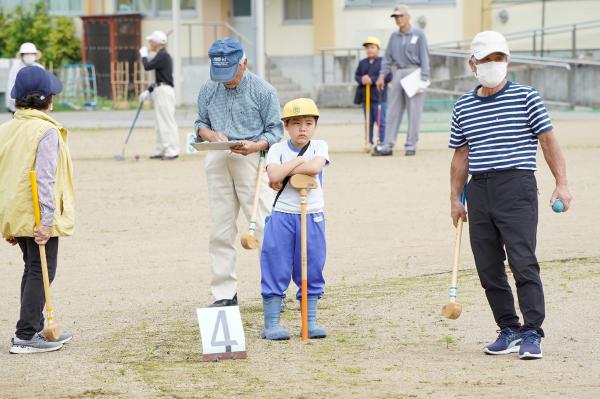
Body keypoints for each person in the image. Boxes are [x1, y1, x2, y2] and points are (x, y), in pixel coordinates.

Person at [449, 31, 573, 360]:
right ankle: (508, 328)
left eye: (499, 58)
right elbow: (461, 157)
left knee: (522, 261)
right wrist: (454, 199)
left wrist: (561, 182)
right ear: (472, 64)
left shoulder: (527, 97)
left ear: (507, 61)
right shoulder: (462, 106)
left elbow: (548, 141)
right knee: (488, 266)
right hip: (479, 189)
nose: (493, 65)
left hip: (517, 186)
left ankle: (533, 330)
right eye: (486, 59)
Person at [194, 38, 284, 307]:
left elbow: (275, 131)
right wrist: (209, 134)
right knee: (220, 229)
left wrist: (255, 145)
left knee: (264, 224)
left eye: (231, 73)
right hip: (217, 156)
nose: (227, 80)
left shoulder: (264, 91)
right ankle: (224, 293)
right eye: (220, 74)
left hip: (252, 159)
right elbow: (199, 123)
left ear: (244, 63)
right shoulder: (208, 89)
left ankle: (275, 289)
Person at [0, 66, 75, 354]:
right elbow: (45, 178)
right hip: (36, 214)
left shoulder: (6, 129)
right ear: (47, 99)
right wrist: (45, 221)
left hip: (15, 212)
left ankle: (32, 327)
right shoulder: (46, 131)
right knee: (40, 269)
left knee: (31, 267)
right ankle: (26, 334)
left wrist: (7, 222)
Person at [260, 98, 329, 340]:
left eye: (309, 123)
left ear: (315, 126)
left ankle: (308, 322)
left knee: (312, 264)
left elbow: (315, 169)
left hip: (312, 215)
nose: (303, 128)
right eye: (296, 123)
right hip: (283, 214)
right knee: (275, 263)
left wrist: (287, 169)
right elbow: (274, 173)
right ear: (286, 126)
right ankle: (272, 324)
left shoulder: (320, 146)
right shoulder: (277, 149)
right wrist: (299, 160)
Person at [373, 4, 430, 157]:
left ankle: (411, 145)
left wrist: (424, 77)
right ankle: (387, 145)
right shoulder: (393, 37)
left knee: (414, 112)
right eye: (395, 17)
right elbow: (387, 59)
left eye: (400, 16)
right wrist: (382, 75)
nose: (398, 19)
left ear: (408, 16)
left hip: (415, 72)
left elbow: (425, 56)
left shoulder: (419, 34)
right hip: (398, 72)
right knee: (393, 111)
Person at [139, 30, 180, 160]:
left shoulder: (163, 55)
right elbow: (160, 78)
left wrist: (144, 56)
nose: (149, 43)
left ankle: (172, 150)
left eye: (151, 41)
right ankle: (162, 149)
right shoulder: (161, 55)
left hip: (164, 92)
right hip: (160, 90)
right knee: (159, 123)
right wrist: (148, 90)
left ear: (156, 43)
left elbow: (147, 66)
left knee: (166, 122)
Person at [354, 36, 392, 147]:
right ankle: (368, 142)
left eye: (372, 47)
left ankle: (381, 141)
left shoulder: (383, 62)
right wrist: (362, 79)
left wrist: (373, 80)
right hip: (366, 99)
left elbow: (388, 76)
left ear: (378, 49)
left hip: (379, 98)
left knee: (381, 122)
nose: (369, 50)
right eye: (367, 48)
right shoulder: (362, 63)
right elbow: (357, 76)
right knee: (368, 122)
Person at [6, 42, 44, 114]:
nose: (29, 56)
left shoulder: (40, 68)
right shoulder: (15, 68)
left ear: (35, 55)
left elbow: (44, 86)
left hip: (36, 105)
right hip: (18, 105)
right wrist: (12, 102)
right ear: (22, 55)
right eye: (27, 53)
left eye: (31, 53)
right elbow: (10, 85)